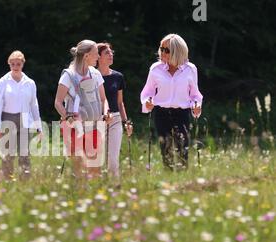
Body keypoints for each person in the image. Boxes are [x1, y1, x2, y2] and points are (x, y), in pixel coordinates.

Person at [140, 34, 203, 170]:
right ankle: (169, 181)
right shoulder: (155, 69)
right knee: (166, 150)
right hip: (161, 113)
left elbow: (195, 94)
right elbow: (147, 92)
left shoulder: (190, 69)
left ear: (177, 51)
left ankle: (183, 182)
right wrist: (147, 102)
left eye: (166, 50)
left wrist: (196, 105)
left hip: (182, 113)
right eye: (161, 48)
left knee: (182, 149)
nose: (162, 52)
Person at [54, 40, 110, 179]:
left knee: (95, 167)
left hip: (95, 126)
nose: (98, 57)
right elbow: (58, 102)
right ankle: (79, 195)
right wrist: (67, 116)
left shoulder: (95, 74)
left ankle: (95, 197)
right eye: (96, 54)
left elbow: (103, 99)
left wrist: (106, 113)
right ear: (86, 56)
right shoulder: (68, 75)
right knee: (79, 166)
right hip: (74, 127)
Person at [0, 51, 42, 179]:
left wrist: (39, 125)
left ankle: (24, 181)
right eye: (13, 64)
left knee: (24, 154)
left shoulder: (30, 83)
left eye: (18, 64)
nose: (15, 67)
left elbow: (34, 104)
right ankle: (7, 181)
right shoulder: (2, 82)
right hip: (8, 118)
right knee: (8, 154)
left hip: (26, 120)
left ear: (22, 64)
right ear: (9, 64)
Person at [97, 42, 133, 178]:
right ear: (98, 57)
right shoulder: (91, 76)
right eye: (107, 53)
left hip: (115, 120)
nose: (111, 55)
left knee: (113, 160)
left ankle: (115, 187)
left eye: (112, 52)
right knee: (97, 160)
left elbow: (120, 102)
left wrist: (126, 122)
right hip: (96, 120)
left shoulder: (118, 77)